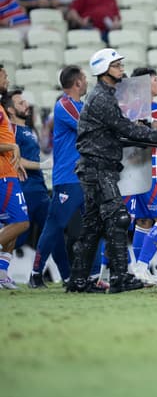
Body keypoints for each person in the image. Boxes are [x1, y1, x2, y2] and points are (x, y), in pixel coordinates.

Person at [66, 48, 157, 294]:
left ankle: (78, 281)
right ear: (103, 70)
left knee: (94, 225)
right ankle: (121, 276)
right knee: (118, 218)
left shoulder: (106, 95)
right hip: (98, 167)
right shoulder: (102, 98)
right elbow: (125, 129)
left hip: (97, 167)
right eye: (117, 65)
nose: (122, 69)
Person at [29, 65, 87, 288]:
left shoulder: (79, 105)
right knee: (54, 226)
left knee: (94, 225)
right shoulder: (64, 105)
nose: (86, 81)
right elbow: (88, 126)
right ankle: (36, 273)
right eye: (84, 78)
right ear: (77, 82)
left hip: (83, 176)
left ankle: (90, 276)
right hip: (68, 177)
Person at [124, 67, 157, 286]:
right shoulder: (152, 109)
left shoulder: (130, 109)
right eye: (155, 79)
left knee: (144, 221)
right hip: (154, 171)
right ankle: (142, 265)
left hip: (136, 173)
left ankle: (139, 269)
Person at [3, 90, 51, 254]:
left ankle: (38, 274)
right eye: (21, 103)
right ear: (10, 109)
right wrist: (43, 165)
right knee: (20, 234)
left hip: (38, 187)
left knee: (51, 232)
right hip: (25, 187)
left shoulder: (28, 129)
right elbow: (15, 158)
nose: (26, 105)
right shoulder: (12, 130)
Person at [0, 65, 30, 289]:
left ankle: (2, 272)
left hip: (9, 172)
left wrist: (15, 158)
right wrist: (13, 146)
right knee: (21, 223)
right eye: (3, 75)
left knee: (14, 223)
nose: (7, 79)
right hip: (2, 175)